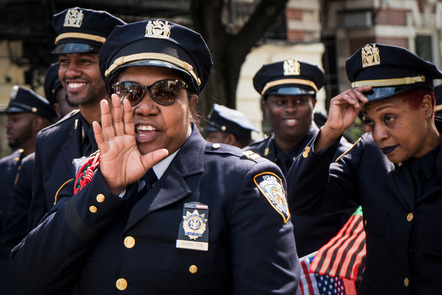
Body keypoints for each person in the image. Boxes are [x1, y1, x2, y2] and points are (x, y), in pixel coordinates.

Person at [11, 19, 300, 295]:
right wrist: (106, 187)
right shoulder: (90, 172)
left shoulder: (240, 181)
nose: (145, 107)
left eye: (165, 91)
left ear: (191, 103)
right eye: (130, 91)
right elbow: (28, 280)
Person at [287, 43, 442, 294]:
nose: (378, 134)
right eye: (369, 121)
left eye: (388, 118)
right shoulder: (369, 154)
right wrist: (331, 131)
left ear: (426, 106)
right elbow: (301, 200)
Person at [244, 59, 354, 257]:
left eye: (299, 101)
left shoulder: (343, 156)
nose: (290, 108)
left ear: (313, 104)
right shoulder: (249, 159)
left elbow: (352, 232)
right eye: (280, 102)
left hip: (321, 279)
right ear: (266, 107)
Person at [27, 7, 125, 228]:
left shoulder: (137, 134)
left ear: (111, 66)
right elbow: (37, 230)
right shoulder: (49, 140)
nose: (70, 72)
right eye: (64, 61)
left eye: (84, 61)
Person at [0, 85, 56, 295]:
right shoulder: (4, 167)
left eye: (16, 119)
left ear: (37, 123)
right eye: (8, 119)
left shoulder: (57, 164)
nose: (8, 125)